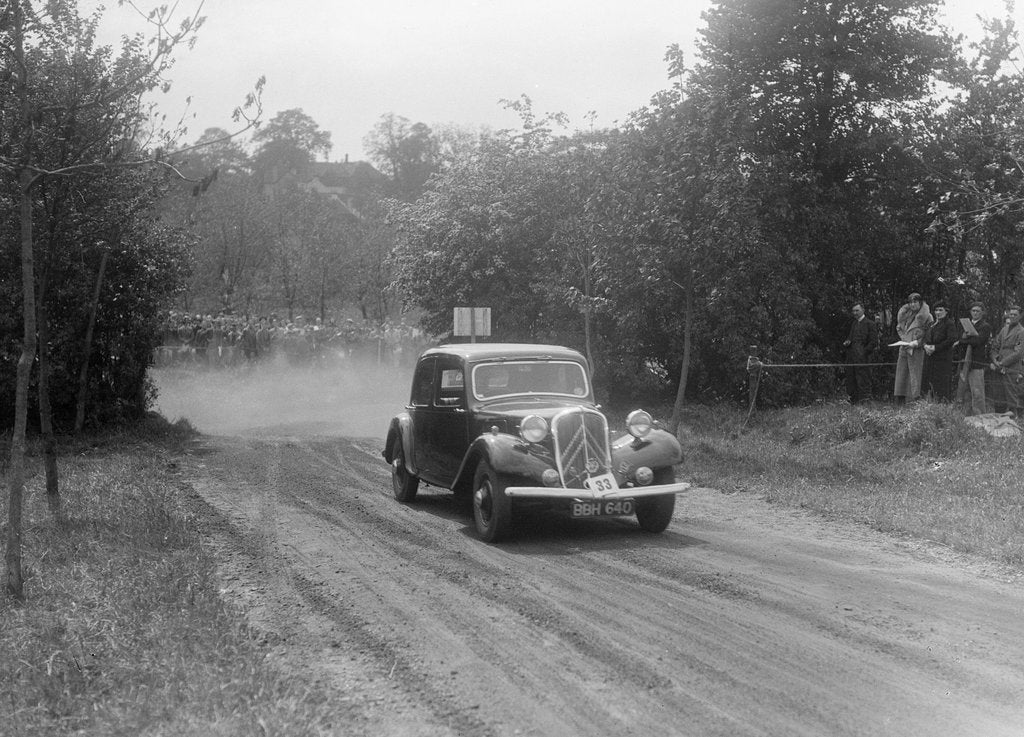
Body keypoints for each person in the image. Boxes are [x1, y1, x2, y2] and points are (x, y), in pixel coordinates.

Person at [893, 292, 933, 404]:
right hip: (904, 349)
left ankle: (914, 402)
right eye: (910, 302)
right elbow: (899, 328)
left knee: (915, 376)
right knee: (902, 375)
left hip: (917, 351)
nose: (912, 304)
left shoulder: (928, 316)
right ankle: (900, 402)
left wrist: (916, 343)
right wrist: (905, 340)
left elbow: (928, 335)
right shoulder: (906, 314)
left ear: (920, 303)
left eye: (915, 302)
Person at [954, 302, 992, 416]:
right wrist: (962, 340)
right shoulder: (966, 324)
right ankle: (965, 414)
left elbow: (978, 341)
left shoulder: (985, 326)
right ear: (970, 312)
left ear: (982, 313)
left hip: (976, 361)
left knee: (977, 391)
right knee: (964, 390)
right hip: (964, 360)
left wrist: (962, 341)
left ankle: (979, 415)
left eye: (978, 311)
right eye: (973, 311)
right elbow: (960, 338)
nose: (975, 313)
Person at [988, 305, 1024, 415]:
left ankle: (1013, 422)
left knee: (1012, 395)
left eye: (1015, 315)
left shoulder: (1021, 332)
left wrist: (1003, 363)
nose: (1012, 316)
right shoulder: (1004, 329)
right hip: (999, 368)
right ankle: (999, 420)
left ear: (1020, 316)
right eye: (1010, 314)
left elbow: (1018, 353)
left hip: (1011, 369)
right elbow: (995, 346)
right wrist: (995, 360)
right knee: (999, 395)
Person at [842, 302, 878, 404]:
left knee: (863, 379)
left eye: (857, 310)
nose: (855, 313)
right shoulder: (854, 323)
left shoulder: (870, 324)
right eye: (853, 311)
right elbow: (851, 337)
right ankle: (853, 401)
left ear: (863, 310)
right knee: (851, 379)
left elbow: (874, 342)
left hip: (864, 358)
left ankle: (865, 402)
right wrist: (847, 342)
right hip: (852, 357)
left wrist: (864, 353)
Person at [922, 302, 956, 400]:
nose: (938, 312)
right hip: (929, 358)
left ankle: (942, 405)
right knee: (929, 383)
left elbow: (951, 340)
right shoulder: (931, 324)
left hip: (942, 359)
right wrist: (925, 346)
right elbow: (924, 337)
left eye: (941, 310)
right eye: (936, 310)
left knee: (941, 385)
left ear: (946, 311)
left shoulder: (949, 324)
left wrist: (935, 348)